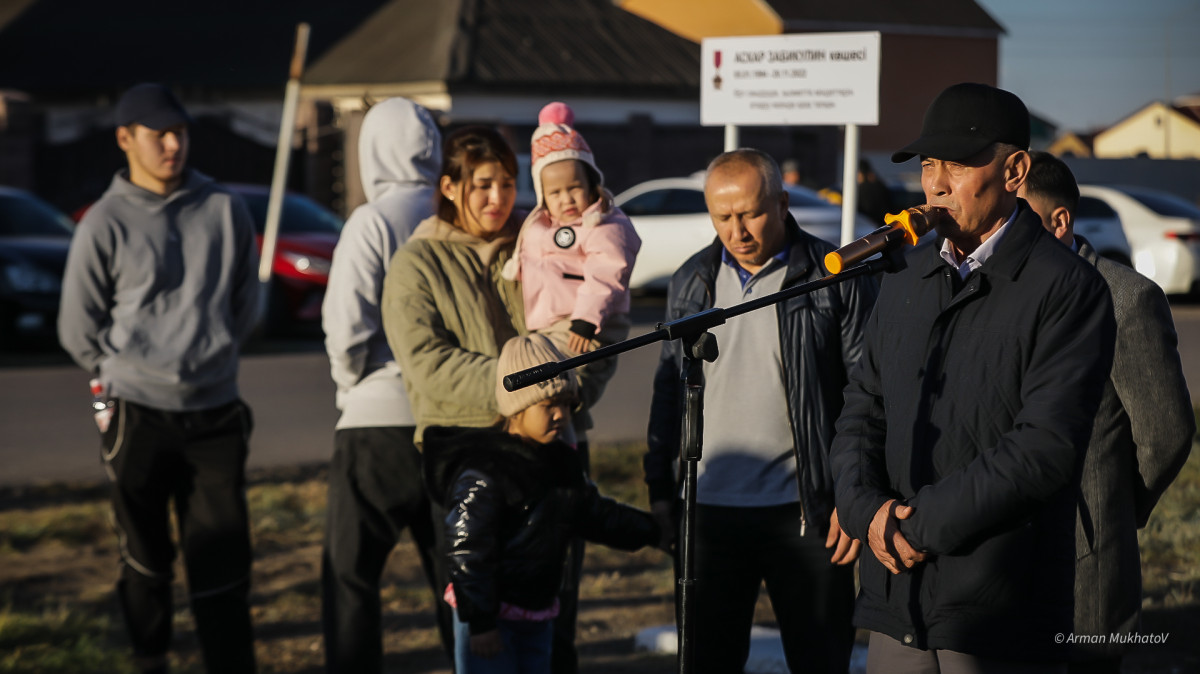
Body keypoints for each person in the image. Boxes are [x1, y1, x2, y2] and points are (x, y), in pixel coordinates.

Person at [830, 82, 1117, 673]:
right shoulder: (904, 274)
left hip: (996, 599)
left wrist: (916, 525)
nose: (935, 183)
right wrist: (864, 508)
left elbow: (1045, 447)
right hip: (894, 592)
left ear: (1015, 171)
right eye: (929, 164)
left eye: (957, 164)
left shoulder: (1066, 287)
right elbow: (864, 404)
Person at [644, 148, 878, 673]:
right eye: (722, 217)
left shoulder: (832, 275)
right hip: (707, 510)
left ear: (782, 202)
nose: (737, 230)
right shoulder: (691, 281)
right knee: (709, 660)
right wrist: (661, 488)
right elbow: (668, 390)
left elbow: (870, 392)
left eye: (749, 213)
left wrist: (854, 491)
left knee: (820, 659)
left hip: (808, 512)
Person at [58, 83, 260, 674]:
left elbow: (249, 306)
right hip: (137, 414)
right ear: (125, 139)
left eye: (181, 133)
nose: (173, 145)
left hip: (216, 412)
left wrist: (213, 352)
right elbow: (77, 328)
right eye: (158, 134)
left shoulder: (225, 209)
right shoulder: (104, 223)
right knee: (145, 558)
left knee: (223, 560)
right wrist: (122, 374)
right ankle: (151, 659)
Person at [1019, 151, 1194, 673]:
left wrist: (1114, 508)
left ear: (1059, 222)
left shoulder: (1125, 300)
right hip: (1001, 570)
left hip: (1083, 569)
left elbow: (1166, 434)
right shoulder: (1002, 292)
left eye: (1018, 216)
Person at [423, 334, 661, 674]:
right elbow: (467, 552)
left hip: (537, 615)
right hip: (492, 620)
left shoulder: (560, 465)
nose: (561, 415)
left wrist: (655, 530)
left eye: (567, 405)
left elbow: (595, 514)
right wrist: (481, 622)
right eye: (548, 405)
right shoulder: (486, 471)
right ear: (517, 407)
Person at [319, 97, 454, 672]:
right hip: (451, 419)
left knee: (351, 575)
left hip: (376, 421)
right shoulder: (454, 215)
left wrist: (353, 384)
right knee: (456, 575)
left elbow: (345, 325)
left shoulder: (371, 221)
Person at [502, 101, 641, 436]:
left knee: (554, 392)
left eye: (574, 187)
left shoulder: (602, 222)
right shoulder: (541, 223)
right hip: (553, 327)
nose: (566, 199)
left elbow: (606, 272)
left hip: (589, 326)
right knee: (547, 397)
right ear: (542, 195)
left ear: (591, 182)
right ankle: (569, 441)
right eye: (555, 192)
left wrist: (586, 319)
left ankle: (569, 445)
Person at [856, 158, 894, 224]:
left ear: (861, 173)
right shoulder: (879, 184)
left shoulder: (862, 189)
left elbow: (865, 210)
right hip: (885, 221)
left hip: (871, 225)